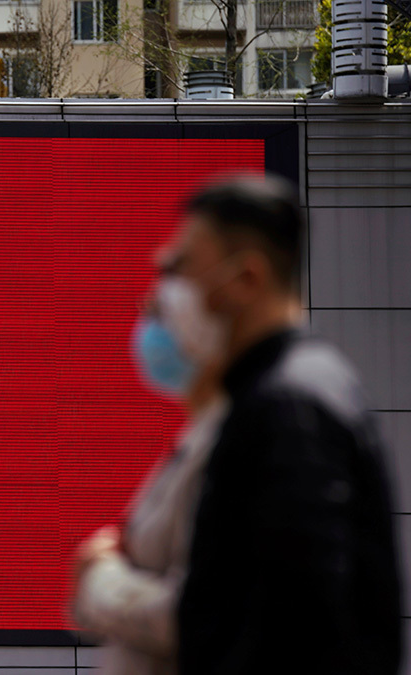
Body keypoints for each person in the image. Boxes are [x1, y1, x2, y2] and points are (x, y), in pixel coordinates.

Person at [83, 176, 402, 675]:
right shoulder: (263, 398)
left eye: (181, 267)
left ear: (247, 279)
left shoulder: (289, 408)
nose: (161, 292)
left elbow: (275, 627)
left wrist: (106, 588)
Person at [71, 277, 229, 675]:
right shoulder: (195, 436)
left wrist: (101, 579)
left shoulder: (237, 443)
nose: (145, 335)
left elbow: (204, 612)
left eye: (157, 317)